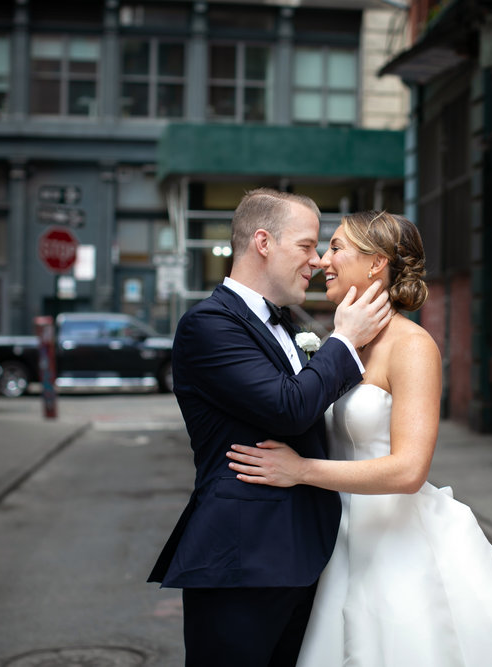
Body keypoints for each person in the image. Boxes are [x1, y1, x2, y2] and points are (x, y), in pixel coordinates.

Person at [226, 211, 492, 666]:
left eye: (337, 248)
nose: (324, 261)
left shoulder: (413, 347)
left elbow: (408, 470)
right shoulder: (342, 345)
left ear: (376, 263)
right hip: (336, 538)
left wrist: (300, 471)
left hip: (394, 544)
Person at [147, 189, 394, 667]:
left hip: (302, 555)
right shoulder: (208, 325)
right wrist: (343, 341)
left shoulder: (279, 324)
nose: (318, 260)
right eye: (306, 246)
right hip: (242, 559)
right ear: (263, 242)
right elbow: (289, 409)